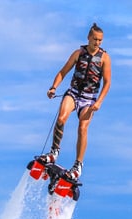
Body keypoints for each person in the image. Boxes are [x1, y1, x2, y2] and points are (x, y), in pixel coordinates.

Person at [41, 23, 111, 180]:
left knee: (82, 128)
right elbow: (63, 72)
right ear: (88, 37)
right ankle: (54, 152)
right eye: (95, 39)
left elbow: (107, 83)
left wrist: (99, 102)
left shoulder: (105, 58)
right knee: (61, 117)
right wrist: (53, 88)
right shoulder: (78, 53)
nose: (97, 43)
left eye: (100, 40)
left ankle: (78, 165)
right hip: (73, 93)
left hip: (89, 99)